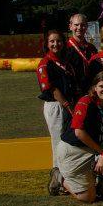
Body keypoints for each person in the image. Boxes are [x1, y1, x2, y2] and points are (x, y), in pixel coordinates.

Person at [56, 71, 103, 203]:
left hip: (96, 150)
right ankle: (60, 179)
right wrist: (102, 152)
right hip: (73, 151)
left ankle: (102, 184)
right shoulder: (85, 102)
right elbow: (79, 132)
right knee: (88, 198)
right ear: (95, 88)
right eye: (101, 86)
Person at [38, 29, 79, 195]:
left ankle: (66, 177)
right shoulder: (45, 63)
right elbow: (52, 89)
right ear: (47, 44)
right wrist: (68, 106)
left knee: (67, 141)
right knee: (57, 143)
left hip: (68, 105)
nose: (56, 44)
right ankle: (57, 180)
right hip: (56, 106)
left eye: (59, 41)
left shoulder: (65, 62)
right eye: (52, 42)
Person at [63, 13, 97, 94]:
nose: (79, 28)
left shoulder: (91, 48)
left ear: (87, 27)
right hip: (73, 93)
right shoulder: (65, 48)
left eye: (83, 25)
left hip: (91, 91)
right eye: (76, 25)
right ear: (70, 26)